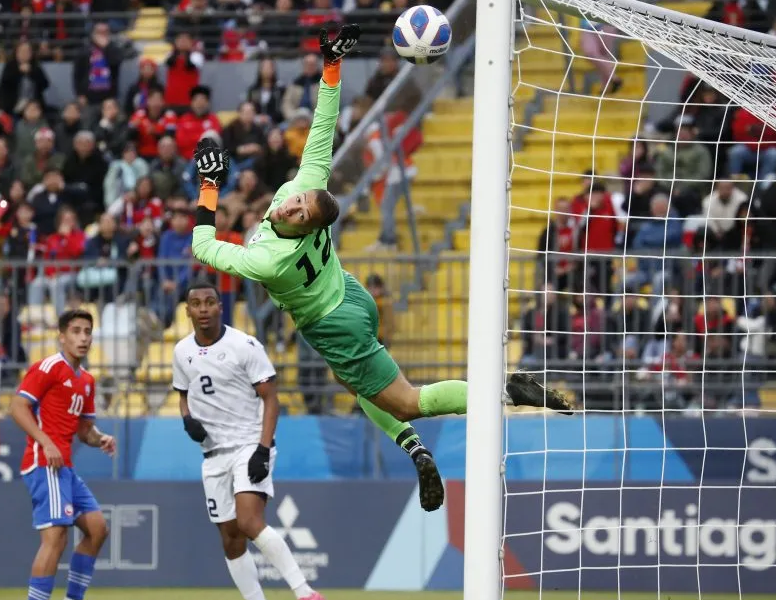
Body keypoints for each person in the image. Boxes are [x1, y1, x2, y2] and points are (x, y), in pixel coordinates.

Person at [190, 25, 574, 513]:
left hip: (333, 323)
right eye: (300, 201)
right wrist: (331, 65)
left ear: (307, 227)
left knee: (406, 401)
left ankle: (504, 389)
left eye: (302, 212)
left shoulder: (268, 258)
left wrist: (208, 186)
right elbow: (322, 131)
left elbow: (203, 246)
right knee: (356, 385)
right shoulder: (296, 189)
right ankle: (414, 447)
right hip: (351, 294)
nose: (292, 208)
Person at [172, 281, 325, 600]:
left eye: (211, 302)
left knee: (249, 521)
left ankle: (306, 594)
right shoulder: (181, 352)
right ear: (188, 311)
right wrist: (186, 418)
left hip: (248, 446)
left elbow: (271, 399)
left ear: (220, 307)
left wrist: (262, 447)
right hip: (213, 454)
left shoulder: (244, 345)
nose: (204, 308)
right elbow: (182, 394)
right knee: (230, 539)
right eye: (197, 304)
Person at [9, 309, 116, 600]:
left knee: (97, 528)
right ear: (62, 336)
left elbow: (84, 430)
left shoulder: (87, 381)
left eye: (87, 331)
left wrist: (100, 439)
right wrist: (46, 442)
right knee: (55, 536)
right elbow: (17, 406)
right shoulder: (48, 367)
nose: (83, 337)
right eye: (76, 331)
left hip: (64, 466)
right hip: (44, 462)